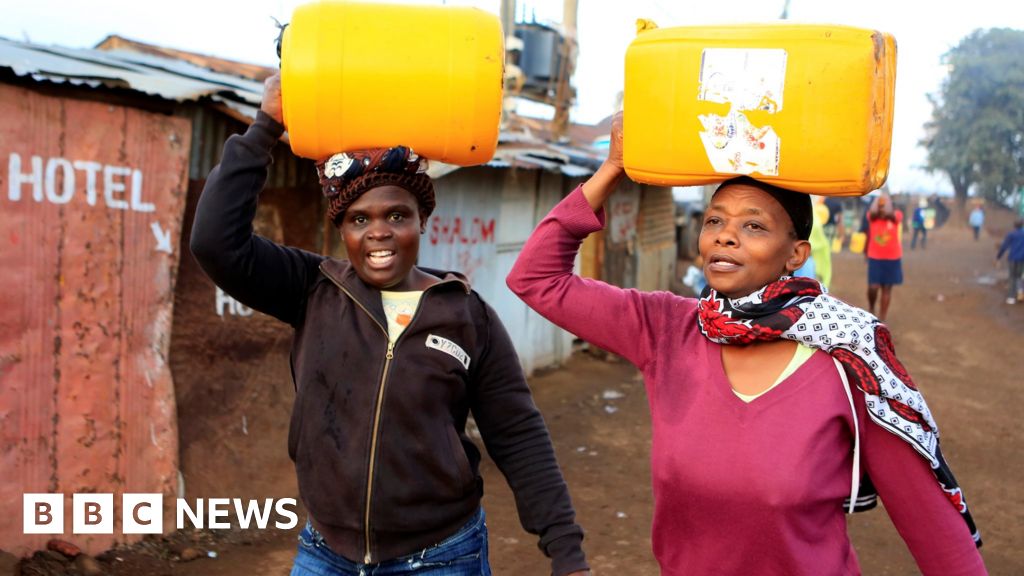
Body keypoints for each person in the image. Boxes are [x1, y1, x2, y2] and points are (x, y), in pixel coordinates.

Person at [506, 113, 986, 575]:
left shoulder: (850, 356)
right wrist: (612, 168)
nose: (726, 237)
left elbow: (935, 533)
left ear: (796, 254)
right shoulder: (668, 328)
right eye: (715, 221)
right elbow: (536, 278)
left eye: (753, 226)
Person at [190, 74, 590, 576]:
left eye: (397, 215)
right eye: (359, 219)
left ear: (422, 220)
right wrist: (266, 126)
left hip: (441, 556)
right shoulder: (313, 289)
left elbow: (517, 432)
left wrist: (566, 550)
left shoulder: (467, 315)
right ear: (342, 229)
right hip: (325, 554)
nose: (378, 232)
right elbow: (214, 243)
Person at [865, 192, 904, 321]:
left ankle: (882, 318)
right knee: (873, 287)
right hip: (875, 258)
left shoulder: (896, 215)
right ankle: (871, 308)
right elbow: (873, 211)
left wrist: (886, 200)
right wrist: (878, 199)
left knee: (887, 288)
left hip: (893, 258)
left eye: (884, 205)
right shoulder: (872, 217)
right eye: (880, 205)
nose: (882, 207)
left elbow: (890, 213)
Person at [997, 219, 1024, 305]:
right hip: (1022, 259)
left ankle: (1011, 298)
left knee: (1012, 277)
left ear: (1014, 225)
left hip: (1012, 258)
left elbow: (1004, 246)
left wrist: (999, 256)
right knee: (1019, 276)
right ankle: (1020, 292)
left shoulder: (1011, 234)